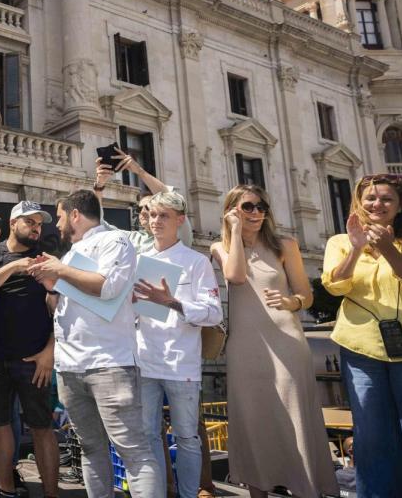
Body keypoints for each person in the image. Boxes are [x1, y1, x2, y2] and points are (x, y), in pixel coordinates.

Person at [27, 189, 163, 498]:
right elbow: (58, 308)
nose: (57, 225)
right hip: (71, 367)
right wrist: (51, 287)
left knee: (133, 451)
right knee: (89, 447)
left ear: (75, 214)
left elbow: (109, 287)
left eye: (60, 217)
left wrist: (58, 270)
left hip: (110, 364)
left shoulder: (115, 242)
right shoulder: (71, 255)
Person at [210, 185, 336, 498]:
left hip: (287, 342)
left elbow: (307, 295)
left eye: (262, 207)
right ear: (232, 210)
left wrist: (290, 301)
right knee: (253, 420)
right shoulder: (219, 246)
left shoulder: (285, 245)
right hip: (245, 348)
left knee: (295, 418)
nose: (256, 213)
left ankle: (307, 490)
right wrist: (235, 232)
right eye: (248, 206)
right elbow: (236, 276)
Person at [321, 174, 402, 497]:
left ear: (400, 207)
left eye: (386, 199)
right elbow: (335, 284)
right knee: (371, 437)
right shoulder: (339, 242)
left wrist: (387, 249)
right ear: (359, 203)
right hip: (362, 349)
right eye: (370, 198)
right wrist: (357, 250)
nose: (377, 204)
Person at [130, 191, 222, 498]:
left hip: (181, 364)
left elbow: (213, 313)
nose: (156, 221)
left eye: (164, 216)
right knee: (147, 435)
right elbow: (133, 314)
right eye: (153, 215)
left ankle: (188, 494)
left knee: (186, 437)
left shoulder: (197, 262)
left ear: (180, 220)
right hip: (145, 361)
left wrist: (172, 301)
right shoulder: (140, 261)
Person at [0, 200, 59, 498]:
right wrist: (14, 266)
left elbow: (60, 310)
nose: (37, 228)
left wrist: (49, 352)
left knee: (42, 427)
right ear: (13, 223)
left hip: (34, 359)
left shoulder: (47, 259)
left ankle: (52, 494)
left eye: (40, 224)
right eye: (30, 222)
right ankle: (5, 491)